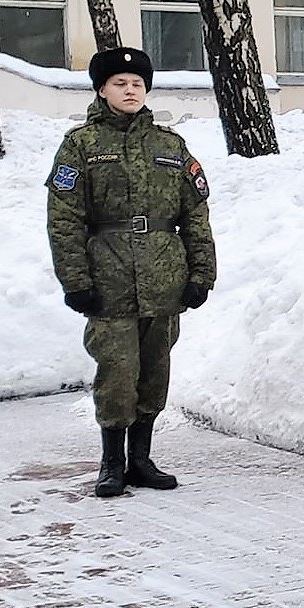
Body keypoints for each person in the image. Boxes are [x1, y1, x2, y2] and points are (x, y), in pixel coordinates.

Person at [45, 46, 216, 498]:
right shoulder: (81, 145)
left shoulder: (170, 146)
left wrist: (202, 274)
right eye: (120, 83)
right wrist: (76, 281)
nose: (130, 90)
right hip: (109, 279)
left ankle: (141, 458)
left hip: (163, 279)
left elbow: (195, 216)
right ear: (102, 90)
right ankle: (111, 462)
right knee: (117, 373)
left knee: (154, 372)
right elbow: (64, 219)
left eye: (137, 83)